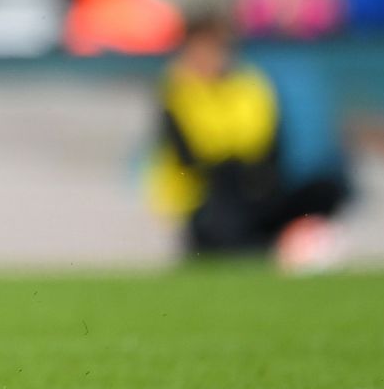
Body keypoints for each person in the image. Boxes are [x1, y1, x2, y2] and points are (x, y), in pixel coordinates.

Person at [144, 15, 349, 258]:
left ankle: (294, 241)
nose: (207, 57)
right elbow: (185, 157)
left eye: (214, 48)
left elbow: (272, 144)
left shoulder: (251, 86)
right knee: (227, 211)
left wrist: (257, 177)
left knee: (324, 189)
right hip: (202, 196)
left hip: (251, 186)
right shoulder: (175, 91)